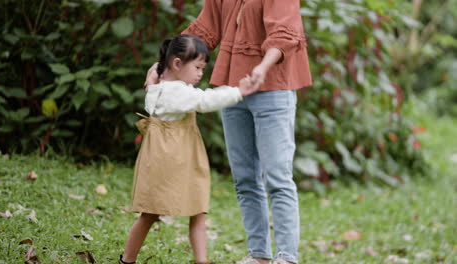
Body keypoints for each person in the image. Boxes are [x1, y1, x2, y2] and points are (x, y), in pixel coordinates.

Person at [180, 1, 313, 264]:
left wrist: (262, 69)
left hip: (273, 88)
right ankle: (259, 255)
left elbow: (284, 33)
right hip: (233, 90)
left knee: (278, 177)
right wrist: (161, 66)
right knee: (244, 178)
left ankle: (286, 257)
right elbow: (204, 30)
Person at [119, 34, 257, 264]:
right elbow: (205, 101)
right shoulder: (177, 92)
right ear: (177, 63)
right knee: (196, 210)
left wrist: (154, 71)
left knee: (151, 214)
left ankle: (128, 259)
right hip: (177, 158)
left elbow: (159, 72)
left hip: (162, 157)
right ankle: (200, 261)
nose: (200, 73)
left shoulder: (159, 85)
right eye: (197, 67)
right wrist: (238, 92)